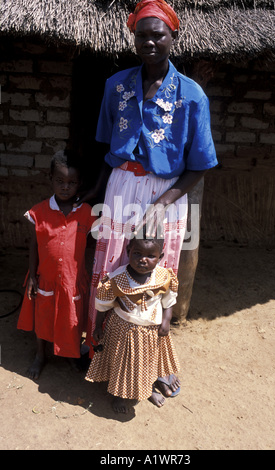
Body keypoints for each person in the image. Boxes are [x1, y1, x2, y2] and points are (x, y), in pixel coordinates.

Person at [77, 0, 218, 398]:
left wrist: (158, 205)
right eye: (143, 35)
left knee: (154, 274)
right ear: (133, 38)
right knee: (112, 267)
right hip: (121, 186)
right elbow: (107, 147)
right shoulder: (116, 85)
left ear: (173, 36)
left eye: (158, 34)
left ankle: (148, 364)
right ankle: (103, 354)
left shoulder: (192, 96)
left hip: (166, 194)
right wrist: (96, 188)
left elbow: (200, 165)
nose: (150, 41)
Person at [17, 150, 96, 379]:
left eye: (71, 183)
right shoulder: (38, 212)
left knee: (72, 319)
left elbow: (93, 246)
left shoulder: (87, 212)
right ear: (50, 178)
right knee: (43, 317)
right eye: (60, 181)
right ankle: (41, 355)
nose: (65, 187)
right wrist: (32, 275)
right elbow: (34, 245)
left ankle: (70, 353)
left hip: (72, 279)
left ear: (80, 184)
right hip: (46, 277)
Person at [85, 235, 180, 413]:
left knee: (148, 363)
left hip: (152, 332)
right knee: (123, 364)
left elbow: (169, 302)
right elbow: (103, 305)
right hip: (123, 330)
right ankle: (119, 395)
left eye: (151, 256)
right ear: (128, 252)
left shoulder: (163, 277)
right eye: (137, 253)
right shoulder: (117, 278)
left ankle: (146, 390)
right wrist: (98, 326)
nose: (143, 260)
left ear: (160, 257)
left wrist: (166, 321)